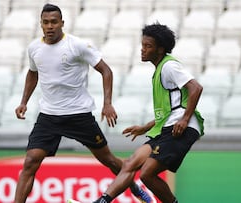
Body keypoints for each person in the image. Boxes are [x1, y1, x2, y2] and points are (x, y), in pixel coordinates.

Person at [14, 3, 152, 203]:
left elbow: (106, 71)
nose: (50, 26)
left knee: (108, 160)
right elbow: (33, 73)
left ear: (62, 23)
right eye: (46, 22)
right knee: (30, 161)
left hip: (78, 114)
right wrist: (24, 101)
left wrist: (107, 103)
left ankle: (137, 190)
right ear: (41, 24)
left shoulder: (77, 45)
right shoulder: (34, 48)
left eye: (54, 22)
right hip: (49, 116)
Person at [68, 22, 205, 203]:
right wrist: (145, 127)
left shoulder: (169, 67)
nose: (142, 50)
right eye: (142, 45)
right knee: (131, 163)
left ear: (160, 49)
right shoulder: (160, 70)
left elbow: (196, 88)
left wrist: (185, 119)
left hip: (181, 128)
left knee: (147, 173)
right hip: (168, 127)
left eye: (148, 46)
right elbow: (169, 110)